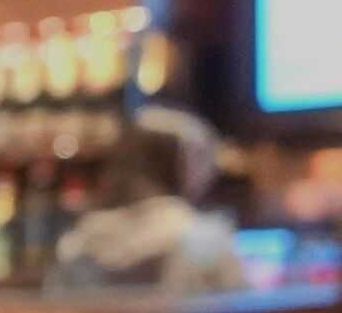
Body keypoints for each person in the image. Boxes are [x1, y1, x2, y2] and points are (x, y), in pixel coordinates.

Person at [47, 106, 250, 295]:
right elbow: (243, 311)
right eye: (202, 158)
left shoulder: (76, 243)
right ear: (183, 164)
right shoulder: (208, 242)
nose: (209, 172)